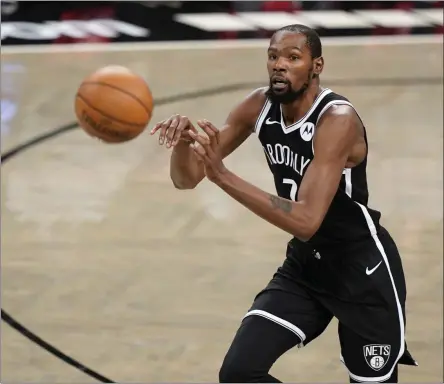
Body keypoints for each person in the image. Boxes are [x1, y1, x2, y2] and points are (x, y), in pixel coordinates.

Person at [150, 24, 417, 383]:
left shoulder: (337, 120)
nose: (279, 65)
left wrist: (223, 176)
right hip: (306, 267)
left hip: (363, 273)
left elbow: (307, 219)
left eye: (293, 57)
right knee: (239, 373)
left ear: (316, 65)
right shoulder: (257, 106)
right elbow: (186, 179)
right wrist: (185, 143)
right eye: (274, 56)